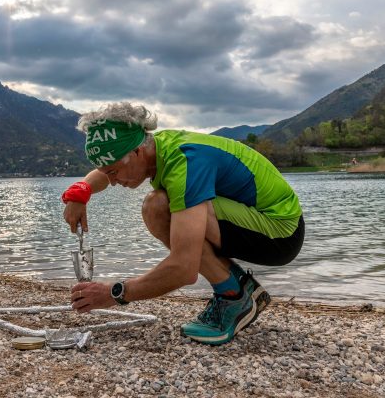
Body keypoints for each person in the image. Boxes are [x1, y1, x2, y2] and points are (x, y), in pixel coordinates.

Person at [63, 102, 304, 345]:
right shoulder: (156, 147)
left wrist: (114, 293)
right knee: (157, 206)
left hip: (280, 233)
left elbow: (183, 269)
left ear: (137, 152)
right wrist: (80, 193)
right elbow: (106, 170)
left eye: (114, 173)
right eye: (107, 174)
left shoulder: (185, 162)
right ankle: (235, 290)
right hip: (259, 219)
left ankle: (235, 295)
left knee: (157, 206)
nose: (112, 182)